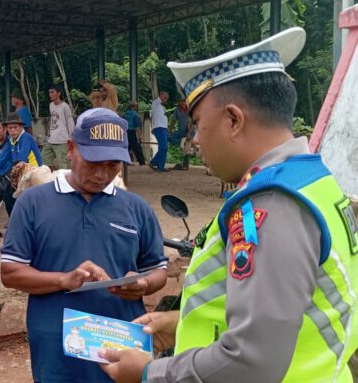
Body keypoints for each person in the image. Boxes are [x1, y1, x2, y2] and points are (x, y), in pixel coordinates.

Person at [99, 27, 358, 383]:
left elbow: (251, 360)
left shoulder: (271, 206)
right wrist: (182, 322)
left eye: (197, 123)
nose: (193, 139)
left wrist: (149, 374)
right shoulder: (314, 183)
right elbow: (295, 310)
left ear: (233, 120)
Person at [0, 108, 168, 383]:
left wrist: (143, 285)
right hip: (56, 349)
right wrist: (64, 280)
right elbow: (10, 272)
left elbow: (157, 269)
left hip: (122, 346)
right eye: (93, 162)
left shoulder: (137, 209)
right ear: (70, 149)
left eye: (113, 165)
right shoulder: (33, 203)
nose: (102, 174)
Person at [0, 113, 42, 216]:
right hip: (21, 173)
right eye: (10, 128)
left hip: (34, 173)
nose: (12, 130)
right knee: (10, 196)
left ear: (21, 127)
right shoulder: (11, 140)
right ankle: (17, 220)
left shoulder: (26, 138)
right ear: (7, 129)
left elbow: (21, 160)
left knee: (27, 200)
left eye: (15, 127)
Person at [41, 84, 74, 170]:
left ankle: (61, 180)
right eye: (49, 92)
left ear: (59, 93)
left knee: (62, 167)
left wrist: (72, 139)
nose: (50, 94)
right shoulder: (51, 105)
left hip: (62, 141)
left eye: (52, 92)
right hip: (51, 140)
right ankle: (53, 175)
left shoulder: (65, 107)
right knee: (43, 158)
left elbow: (70, 122)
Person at [149, 92, 169, 172]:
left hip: (163, 128)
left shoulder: (161, 107)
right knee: (164, 147)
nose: (166, 99)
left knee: (164, 148)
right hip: (159, 128)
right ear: (160, 96)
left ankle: (160, 167)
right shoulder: (155, 104)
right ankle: (153, 162)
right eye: (165, 98)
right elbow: (161, 97)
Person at [123, 101, 146, 165]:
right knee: (136, 147)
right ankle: (141, 161)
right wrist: (140, 135)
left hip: (126, 131)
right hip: (132, 131)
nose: (136, 107)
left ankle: (125, 162)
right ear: (133, 106)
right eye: (136, 106)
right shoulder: (135, 114)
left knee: (128, 147)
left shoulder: (125, 113)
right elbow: (136, 125)